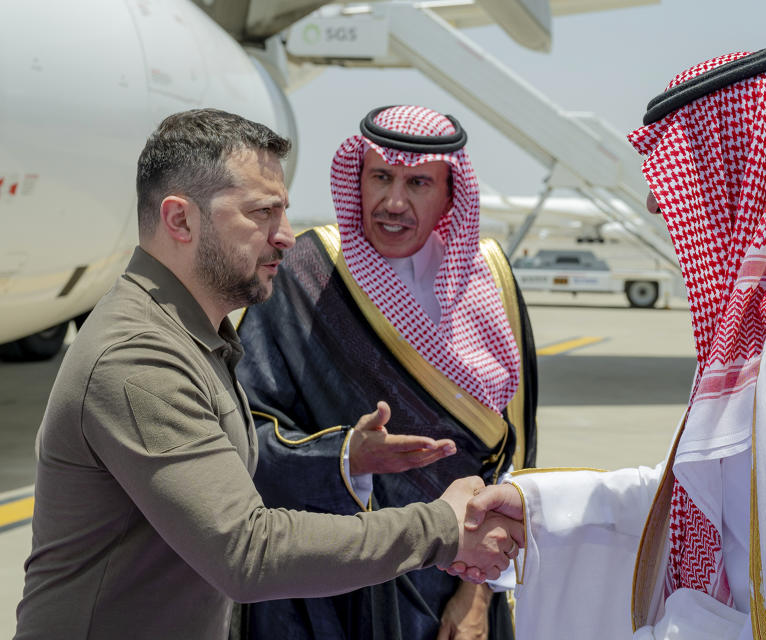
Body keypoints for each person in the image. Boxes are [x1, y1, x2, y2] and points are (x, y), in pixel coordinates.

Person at [459, 48, 766, 638]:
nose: (655, 200)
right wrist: (539, 509)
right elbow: (711, 511)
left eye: (683, 166)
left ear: (743, 169)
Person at [14, 108, 523, 640]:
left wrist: (352, 459)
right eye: (261, 213)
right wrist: (442, 527)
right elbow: (246, 552)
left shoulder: (193, 338)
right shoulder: (140, 359)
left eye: (283, 211)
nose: (285, 236)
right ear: (180, 220)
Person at [234, 104, 538, 639]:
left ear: (450, 194)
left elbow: (515, 452)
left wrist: (476, 596)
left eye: (418, 182)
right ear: (358, 179)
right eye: (380, 177)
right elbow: (245, 430)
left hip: (459, 581)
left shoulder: (490, 276)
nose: (393, 202)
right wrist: (346, 457)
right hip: (333, 588)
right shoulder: (306, 273)